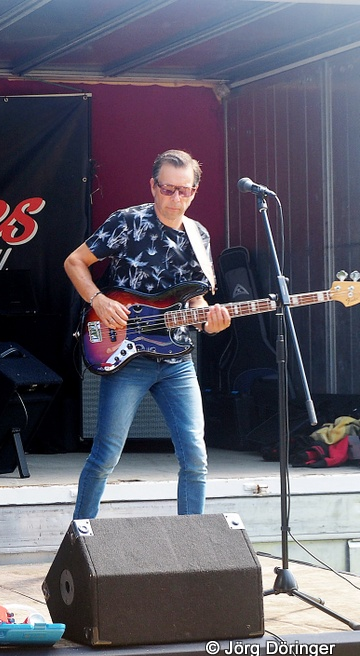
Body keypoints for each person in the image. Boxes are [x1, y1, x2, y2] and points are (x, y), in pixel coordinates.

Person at [63, 149, 232, 519]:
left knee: (195, 457)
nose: (176, 198)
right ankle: (80, 536)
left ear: (195, 191)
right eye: (168, 189)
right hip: (127, 353)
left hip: (177, 358)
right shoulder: (127, 222)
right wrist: (99, 300)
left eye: (184, 191)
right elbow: (74, 262)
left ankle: (193, 542)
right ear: (153, 186)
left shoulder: (198, 235)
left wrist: (209, 319)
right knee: (106, 455)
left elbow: (196, 297)